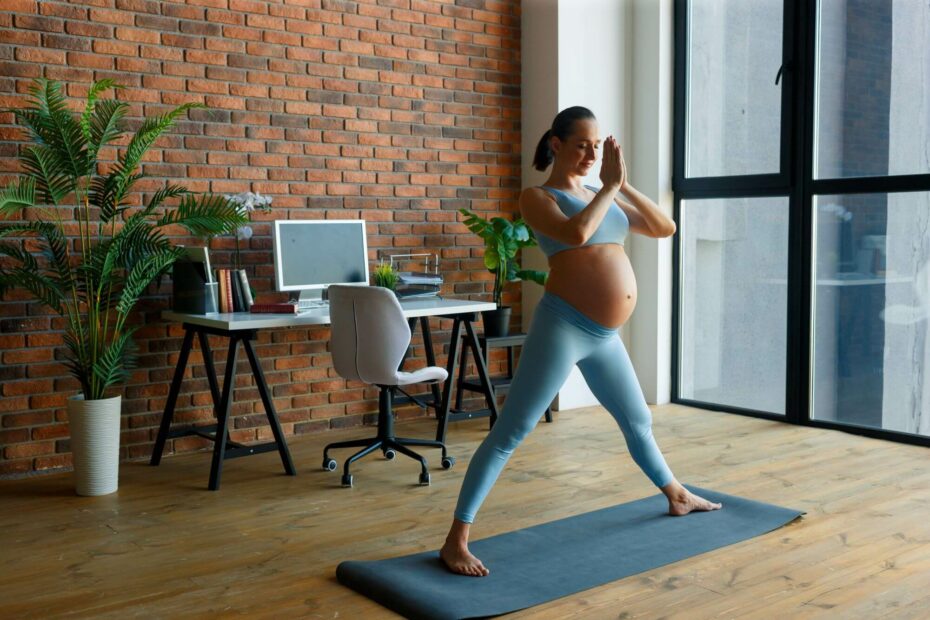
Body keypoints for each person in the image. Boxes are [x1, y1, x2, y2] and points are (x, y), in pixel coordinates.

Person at [440, 106, 722, 577]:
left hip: (605, 335)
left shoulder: (601, 192)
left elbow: (663, 227)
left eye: (597, 146)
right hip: (564, 326)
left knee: (637, 421)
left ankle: (677, 495)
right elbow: (576, 233)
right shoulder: (538, 197)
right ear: (555, 144)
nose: (591, 154)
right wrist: (608, 189)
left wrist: (621, 181)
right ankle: (456, 540)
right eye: (581, 145)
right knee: (511, 431)